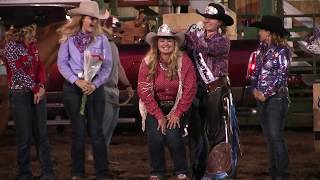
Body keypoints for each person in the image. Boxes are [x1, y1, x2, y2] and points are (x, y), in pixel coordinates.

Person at [56, 1, 112, 180]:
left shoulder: (102, 39)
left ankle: (102, 174)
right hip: (74, 89)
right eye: (91, 18)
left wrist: (95, 84)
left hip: (95, 88)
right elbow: (62, 64)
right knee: (78, 132)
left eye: (96, 19)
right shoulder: (68, 39)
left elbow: (107, 66)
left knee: (97, 132)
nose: (94, 22)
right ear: (81, 19)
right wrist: (77, 81)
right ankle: (77, 173)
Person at [138, 24, 196, 180]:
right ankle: (157, 172)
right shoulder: (148, 61)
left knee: (172, 135)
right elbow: (143, 91)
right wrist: (158, 115)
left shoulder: (184, 61)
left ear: (175, 43)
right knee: (156, 138)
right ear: (157, 43)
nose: (166, 44)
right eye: (162, 40)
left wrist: (177, 113)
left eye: (169, 41)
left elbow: (190, 89)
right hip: (155, 106)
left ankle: (181, 171)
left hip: (177, 105)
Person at [184, 3, 234, 179]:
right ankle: (198, 169)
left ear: (220, 22)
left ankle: (217, 171)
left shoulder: (222, 41)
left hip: (216, 90)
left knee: (215, 131)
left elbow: (205, 48)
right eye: (205, 17)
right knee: (195, 131)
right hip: (196, 89)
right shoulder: (196, 36)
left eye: (210, 18)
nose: (206, 20)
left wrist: (190, 34)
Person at [2, 14, 55, 180]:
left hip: (36, 93)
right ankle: (25, 173)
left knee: (42, 135)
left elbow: (39, 66)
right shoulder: (10, 48)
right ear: (22, 32)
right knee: (24, 137)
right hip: (20, 94)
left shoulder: (32, 45)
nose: (33, 37)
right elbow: (17, 73)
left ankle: (47, 172)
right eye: (30, 34)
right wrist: (35, 87)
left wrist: (40, 86)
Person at [250, 15, 291, 180]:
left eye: (261, 30)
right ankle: (275, 172)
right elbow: (256, 71)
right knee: (270, 137)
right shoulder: (261, 48)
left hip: (276, 98)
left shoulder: (283, 50)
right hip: (262, 97)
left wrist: (264, 94)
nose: (259, 32)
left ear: (269, 32)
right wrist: (254, 89)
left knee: (275, 137)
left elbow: (281, 77)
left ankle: (281, 173)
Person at [100, 10, 134, 165]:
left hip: (112, 89)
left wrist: (127, 85)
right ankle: (99, 157)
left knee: (110, 125)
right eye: (114, 29)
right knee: (104, 125)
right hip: (104, 89)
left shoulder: (111, 45)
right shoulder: (99, 43)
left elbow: (119, 67)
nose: (116, 33)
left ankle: (103, 157)